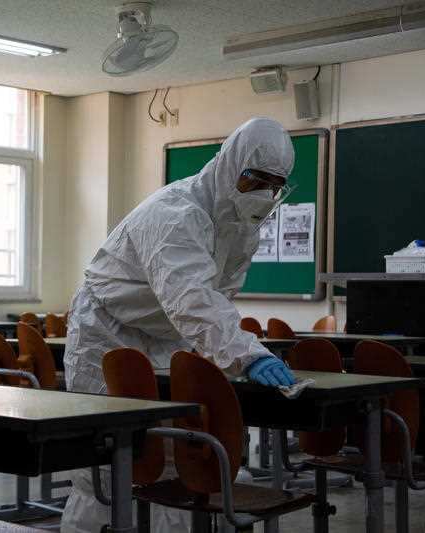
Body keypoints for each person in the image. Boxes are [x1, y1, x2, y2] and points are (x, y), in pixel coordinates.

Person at [61, 117, 296, 532]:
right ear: (229, 166)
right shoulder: (175, 214)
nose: (263, 194)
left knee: (172, 452)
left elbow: (216, 299)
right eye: (254, 180)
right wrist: (246, 353)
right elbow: (192, 299)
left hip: (166, 335)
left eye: (274, 185)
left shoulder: (242, 229)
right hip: (106, 331)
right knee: (109, 455)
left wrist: (223, 349)